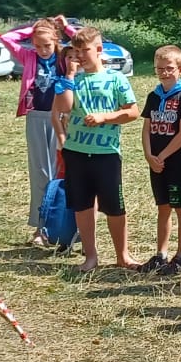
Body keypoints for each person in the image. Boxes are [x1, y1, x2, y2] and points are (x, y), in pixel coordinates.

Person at [52, 24, 141, 272]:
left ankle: (123, 255)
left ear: (99, 50)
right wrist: (69, 77)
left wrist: (105, 117)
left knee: (114, 206)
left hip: (107, 153)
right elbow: (64, 108)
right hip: (77, 152)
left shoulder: (116, 78)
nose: (80, 55)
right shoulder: (71, 81)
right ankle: (90, 256)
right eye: (76, 51)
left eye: (85, 50)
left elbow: (133, 112)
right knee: (82, 205)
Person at [12, 17, 70, 248]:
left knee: (60, 171)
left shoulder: (65, 58)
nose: (43, 50)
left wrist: (64, 27)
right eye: (38, 45)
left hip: (61, 117)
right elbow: (7, 38)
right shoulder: (29, 56)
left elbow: (85, 43)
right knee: (40, 173)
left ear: (56, 41)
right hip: (36, 116)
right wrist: (33, 29)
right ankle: (39, 226)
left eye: (47, 45)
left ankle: (61, 226)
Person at [141, 45, 181, 275]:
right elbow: (146, 128)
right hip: (155, 162)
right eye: (159, 69)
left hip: (176, 162)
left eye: (169, 68)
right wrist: (149, 155)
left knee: (180, 208)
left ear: (180, 69)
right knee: (162, 208)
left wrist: (162, 156)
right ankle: (161, 255)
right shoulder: (153, 96)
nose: (164, 73)